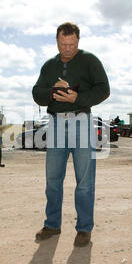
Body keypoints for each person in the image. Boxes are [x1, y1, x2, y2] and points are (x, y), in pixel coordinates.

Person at [32, 22, 110, 247]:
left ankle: (84, 229)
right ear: (56, 41)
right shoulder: (48, 66)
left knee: (85, 181)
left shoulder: (90, 60)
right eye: (63, 44)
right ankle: (52, 224)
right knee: (53, 179)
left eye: (72, 44)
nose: (67, 49)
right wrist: (54, 92)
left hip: (82, 122)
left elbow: (103, 89)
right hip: (56, 124)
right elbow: (37, 93)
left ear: (78, 41)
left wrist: (77, 98)